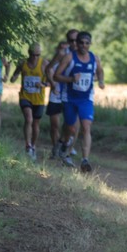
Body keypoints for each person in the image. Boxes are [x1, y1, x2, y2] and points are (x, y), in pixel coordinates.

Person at [54, 30, 105, 172]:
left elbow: (100, 71)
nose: (84, 45)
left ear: (90, 44)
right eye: (81, 42)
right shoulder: (69, 57)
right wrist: (70, 79)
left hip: (86, 99)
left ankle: (85, 160)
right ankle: (64, 144)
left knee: (86, 127)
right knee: (70, 128)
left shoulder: (94, 58)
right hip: (69, 98)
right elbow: (57, 76)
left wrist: (101, 80)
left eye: (87, 43)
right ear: (77, 43)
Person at [10, 43, 49, 160]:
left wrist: (42, 84)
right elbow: (15, 75)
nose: (35, 57)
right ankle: (27, 145)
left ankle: (33, 145)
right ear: (29, 53)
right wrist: (14, 78)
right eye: (33, 54)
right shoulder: (23, 63)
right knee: (29, 119)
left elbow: (52, 81)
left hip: (39, 99)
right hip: (25, 97)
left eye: (38, 55)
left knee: (36, 124)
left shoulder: (44, 64)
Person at [45, 29, 80, 158]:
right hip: (57, 92)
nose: (75, 43)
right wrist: (52, 83)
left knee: (72, 125)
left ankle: (67, 150)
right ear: (68, 41)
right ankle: (56, 148)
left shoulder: (83, 56)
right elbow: (48, 69)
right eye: (71, 40)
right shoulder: (61, 54)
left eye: (77, 40)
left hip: (72, 95)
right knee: (55, 124)